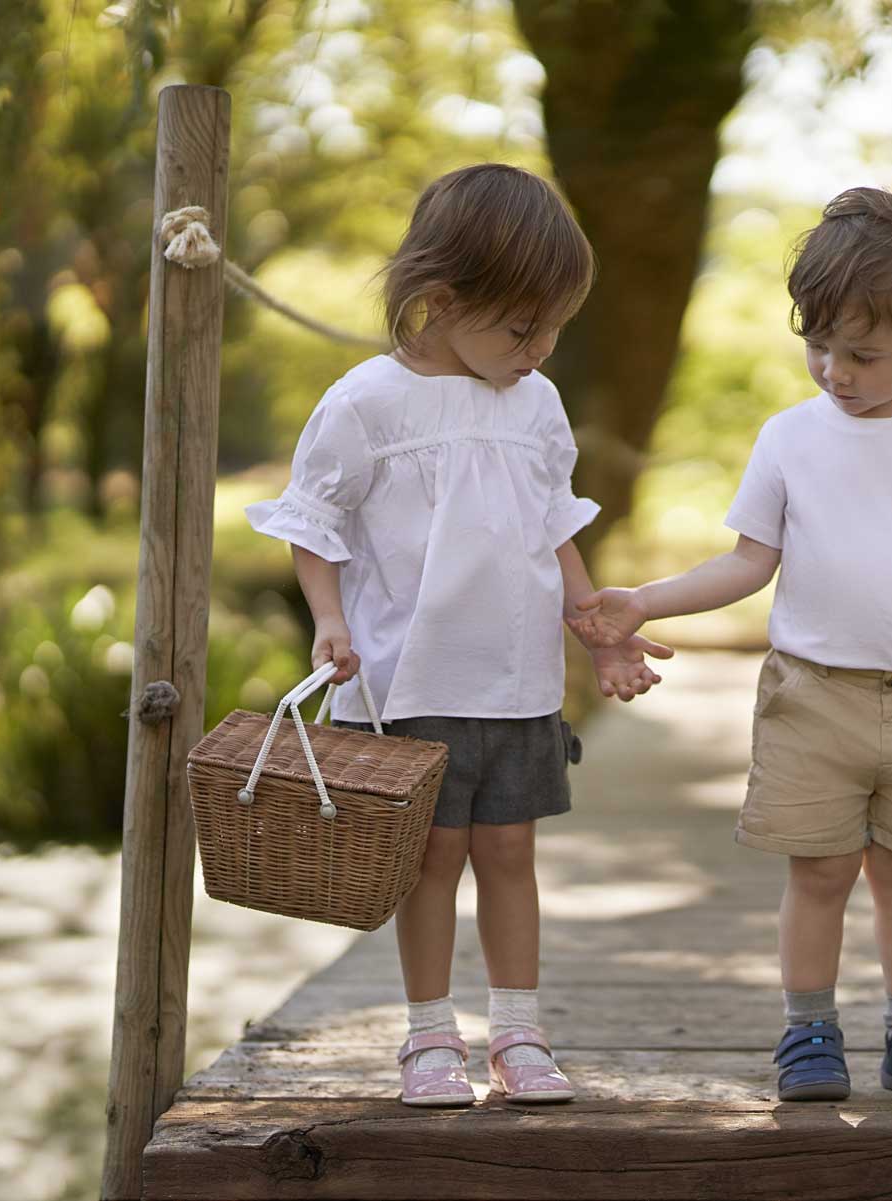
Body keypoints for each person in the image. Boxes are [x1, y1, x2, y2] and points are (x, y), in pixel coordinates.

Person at [570, 187, 892, 1102]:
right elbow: (749, 564)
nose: (836, 371)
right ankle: (809, 1027)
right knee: (819, 867)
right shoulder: (790, 437)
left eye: (864, 353)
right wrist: (645, 602)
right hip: (812, 694)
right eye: (818, 346)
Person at [246, 164, 672, 1108]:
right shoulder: (367, 403)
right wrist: (330, 621)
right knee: (433, 858)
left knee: (510, 854)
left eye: (556, 325)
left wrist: (595, 628)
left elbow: (553, 526)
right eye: (523, 328)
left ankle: (519, 1033)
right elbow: (313, 523)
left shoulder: (537, 407)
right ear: (438, 301)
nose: (542, 349)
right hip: (411, 681)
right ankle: (429, 1037)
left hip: (515, 681)